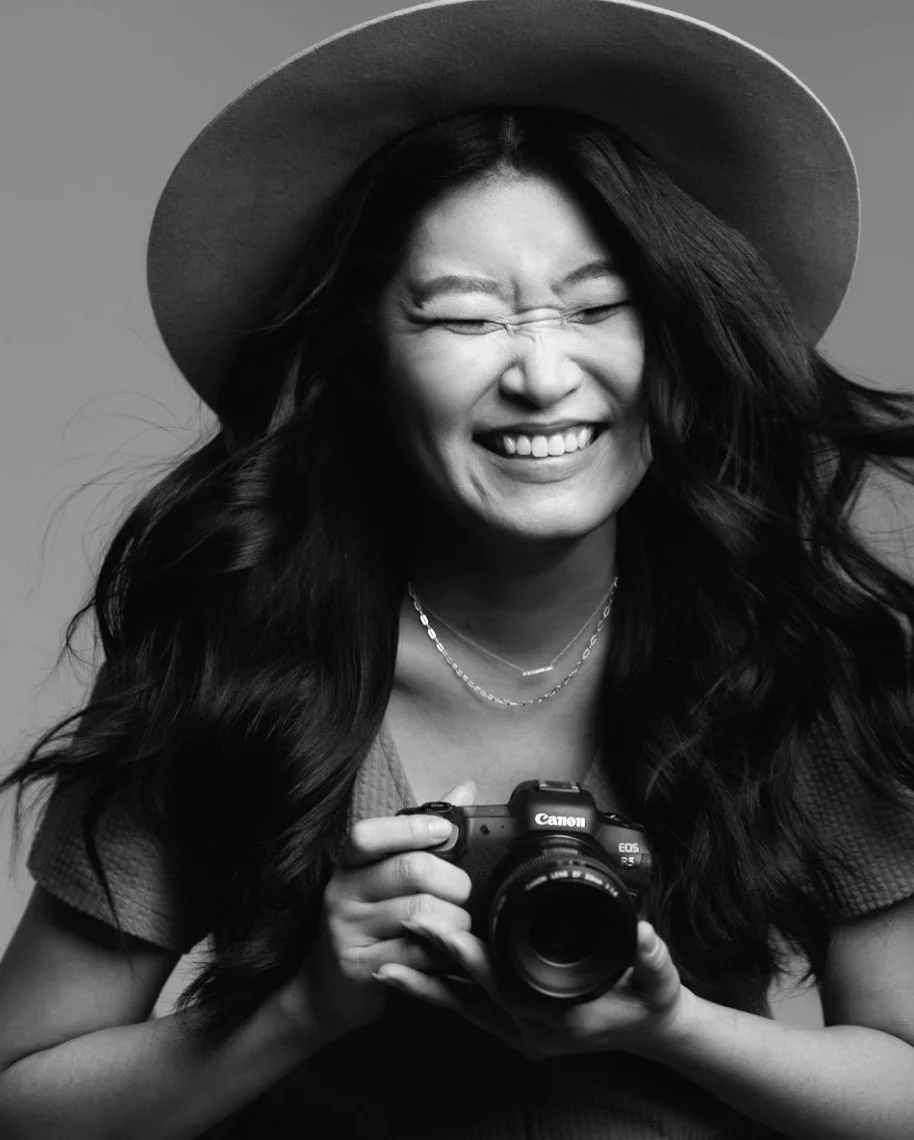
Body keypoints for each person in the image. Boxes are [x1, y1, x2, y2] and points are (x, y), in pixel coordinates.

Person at [2, 0, 914, 1136]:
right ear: (362, 362)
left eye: (597, 306)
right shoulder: (232, 659)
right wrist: (302, 1007)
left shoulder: (790, 656)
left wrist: (668, 1023)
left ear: (674, 339)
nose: (540, 374)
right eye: (462, 318)